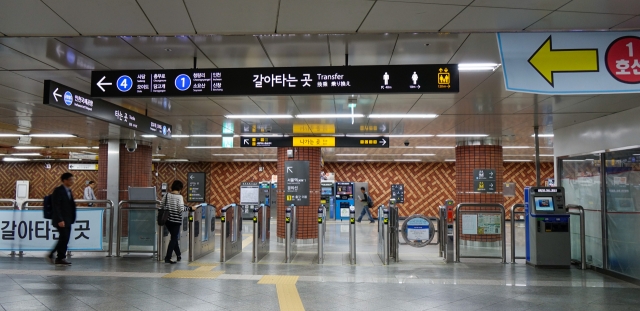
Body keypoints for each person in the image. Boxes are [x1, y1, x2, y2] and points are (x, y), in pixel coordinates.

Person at [162, 180, 197, 264]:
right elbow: (181, 209)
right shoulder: (179, 197)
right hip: (175, 221)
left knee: (174, 237)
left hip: (167, 220)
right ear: (180, 188)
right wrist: (190, 208)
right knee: (174, 238)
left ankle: (178, 255)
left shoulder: (166, 195)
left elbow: (161, 206)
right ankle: (168, 257)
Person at [47, 172, 77, 266]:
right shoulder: (58, 190)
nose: (72, 181)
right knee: (64, 237)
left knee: (65, 238)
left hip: (68, 219)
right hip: (61, 220)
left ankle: (60, 257)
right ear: (65, 180)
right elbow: (56, 206)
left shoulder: (69, 190)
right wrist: (60, 219)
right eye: (71, 179)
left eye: (73, 179)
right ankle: (54, 255)